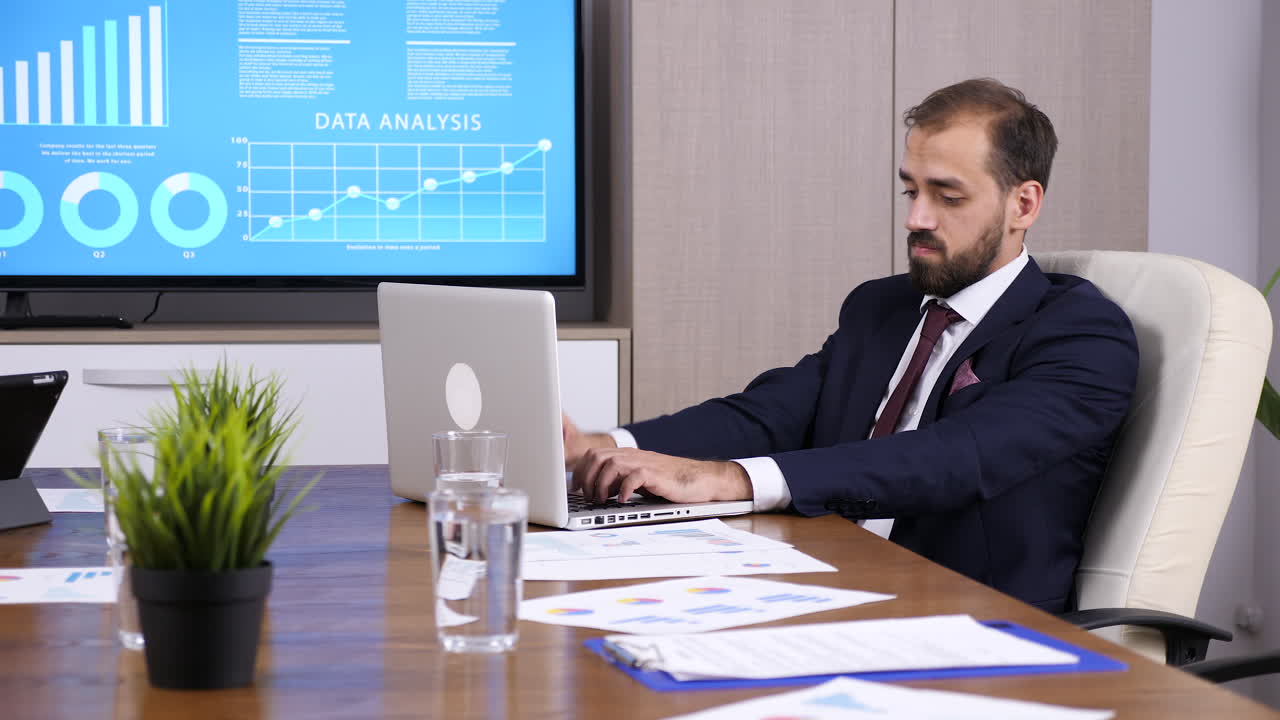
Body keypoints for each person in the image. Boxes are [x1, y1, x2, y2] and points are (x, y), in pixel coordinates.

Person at [564, 78, 1139, 613]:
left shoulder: (1081, 333)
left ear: (1024, 204)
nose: (917, 218)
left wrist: (727, 479)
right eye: (911, 190)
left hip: (959, 612)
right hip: (823, 575)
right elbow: (771, 414)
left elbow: (959, 456)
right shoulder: (881, 306)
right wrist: (598, 445)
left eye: (948, 197)